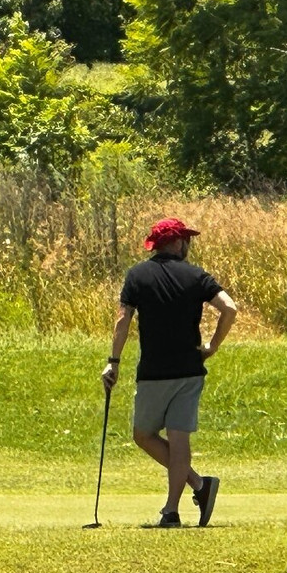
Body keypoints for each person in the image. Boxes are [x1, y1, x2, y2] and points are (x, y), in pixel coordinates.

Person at [101, 218, 237, 527]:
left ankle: (171, 510)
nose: (188, 245)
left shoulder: (136, 275)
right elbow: (229, 309)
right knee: (178, 441)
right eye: (186, 240)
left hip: (153, 372)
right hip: (189, 370)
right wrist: (213, 345)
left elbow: (122, 321)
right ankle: (199, 487)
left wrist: (114, 361)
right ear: (176, 243)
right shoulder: (195, 275)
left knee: (144, 435)